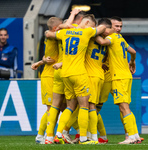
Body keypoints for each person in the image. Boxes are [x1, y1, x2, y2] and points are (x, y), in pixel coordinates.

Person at [45, 14, 106, 144]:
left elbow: (50, 34)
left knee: (70, 106)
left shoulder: (65, 33)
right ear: (88, 22)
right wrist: (94, 28)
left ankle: (57, 134)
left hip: (65, 73)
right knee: (85, 105)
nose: (92, 27)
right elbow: (101, 28)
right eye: (91, 25)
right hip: (79, 73)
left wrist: (63, 26)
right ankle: (84, 138)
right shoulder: (86, 32)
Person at [95, 16, 141, 144]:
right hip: (126, 76)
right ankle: (135, 135)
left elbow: (103, 43)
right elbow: (133, 51)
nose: (118, 29)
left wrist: (91, 33)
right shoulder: (120, 38)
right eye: (116, 26)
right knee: (126, 107)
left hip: (119, 77)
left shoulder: (112, 37)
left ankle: (131, 137)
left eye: (120, 26)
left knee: (123, 107)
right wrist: (132, 61)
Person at [31, 17, 63, 144]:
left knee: (60, 107)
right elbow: (48, 33)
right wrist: (42, 61)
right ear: (55, 28)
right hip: (49, 76)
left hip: (58, 74)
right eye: (61, 26)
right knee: (51, 108)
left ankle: (59, 134)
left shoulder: (57, 37)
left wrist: (41, 61)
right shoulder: (52, 36)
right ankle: (41, 135)